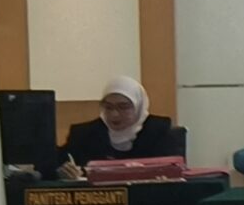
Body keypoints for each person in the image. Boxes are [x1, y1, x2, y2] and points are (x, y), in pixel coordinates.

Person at [53, 76, 185, 178]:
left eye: (123, 107)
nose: (114, 114)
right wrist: (65, 171)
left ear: (138, 105)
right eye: (108, 107)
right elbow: (57, 165)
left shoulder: (159, 131)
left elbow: (175, 170)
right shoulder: (83, 134)